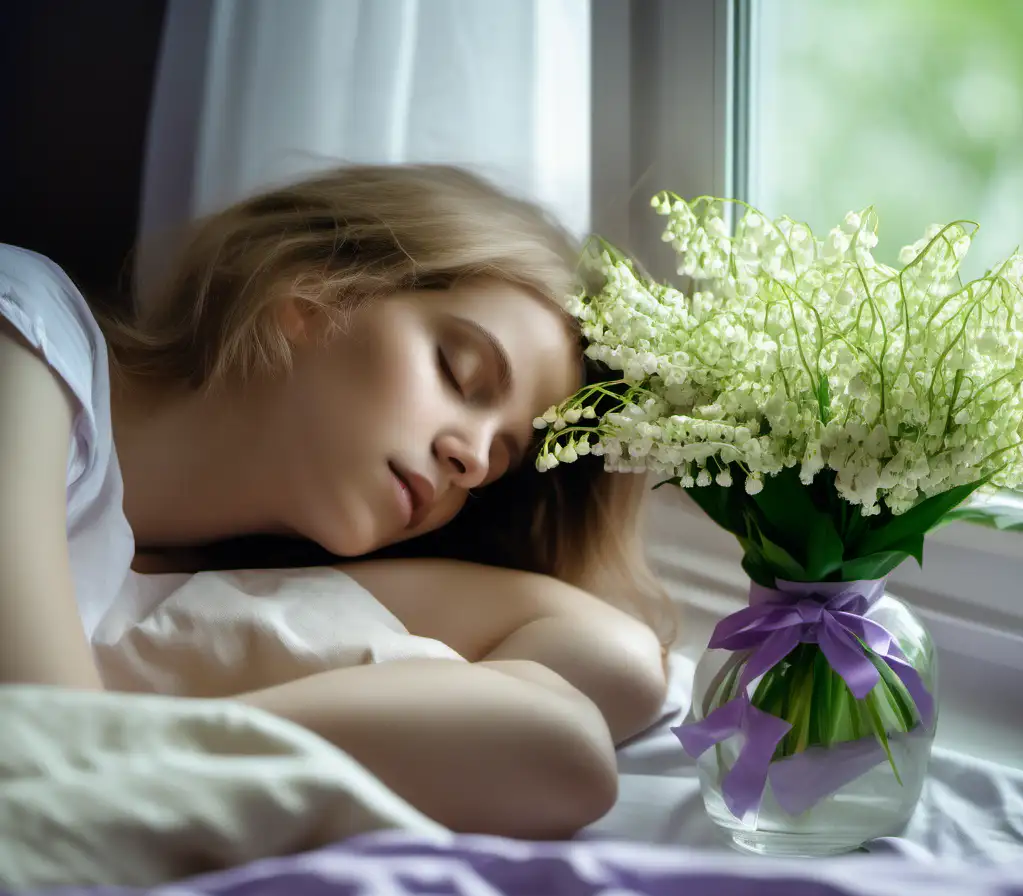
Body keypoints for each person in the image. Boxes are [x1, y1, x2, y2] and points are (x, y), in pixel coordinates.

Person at [0, 163, 671, 840]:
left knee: (564, 735)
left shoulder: (189, 575)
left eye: (498, 462)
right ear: (314, 293)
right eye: (459, 372)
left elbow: (613, 659)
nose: (470, 461)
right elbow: (49, 754)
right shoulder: (23, 337)